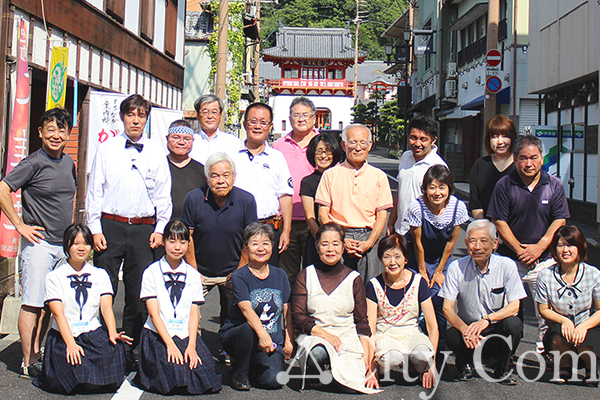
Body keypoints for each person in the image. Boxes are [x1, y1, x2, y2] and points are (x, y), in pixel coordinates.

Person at [86, 94, 172, 370]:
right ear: (122, 117)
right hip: (110, 226)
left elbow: (163, 196)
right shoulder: (107, 148)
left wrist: (161, 229)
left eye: (141, 115)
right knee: (104, 286)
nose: (136, 120)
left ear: (147, 119)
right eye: (131, 114)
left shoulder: (157, 151)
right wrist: (95, 228)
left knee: (137, 291)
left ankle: (128, 346)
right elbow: (94, 191)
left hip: (144, 229)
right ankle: (102, 343)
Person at [0, 107, 76, 378]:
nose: (56, 135)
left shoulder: (68, 163)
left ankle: (37, 351)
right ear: (41, 132)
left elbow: (71, 198)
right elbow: (3, 188)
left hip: (62, 245)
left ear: (68, 133)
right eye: (51, 129)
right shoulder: (33, 163)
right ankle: (27, 359)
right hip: (40, 244)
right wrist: (19, 225)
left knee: (51, 303)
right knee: (33, 302)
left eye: (62, 130)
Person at [487, 134, 570, 352]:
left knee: (546, 311)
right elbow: (499, 221)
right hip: (509, 259)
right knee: (508, 310)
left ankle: (548, 354)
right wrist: (520, 249)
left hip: (544, 260)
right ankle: (504, 354)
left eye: (533, 157)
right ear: (515, 159)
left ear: (542, 158)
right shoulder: (504, 185)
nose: (528, 163)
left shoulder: (554, 185)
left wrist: (541, 246)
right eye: (523, 158)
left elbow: (559, 219)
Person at [33, 224, 131, 394]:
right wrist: (70, 344)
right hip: (64, 334)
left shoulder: (100, 274)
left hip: (93, 332)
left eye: (86, 243)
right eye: (75, 243)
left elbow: (106, 307)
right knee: (68, 367)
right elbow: (58, 313)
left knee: (114, 351)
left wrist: (112, 332)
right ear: (67, 246)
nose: (81, 248)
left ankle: (88, 377)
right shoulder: (54, 276)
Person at [135, 220, 222, 395]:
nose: (177, 247)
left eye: (182, 242)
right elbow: (154, 314)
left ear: (189, 244)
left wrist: (192, 345)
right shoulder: (151, 272)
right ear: (164, 241)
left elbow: (193, 313)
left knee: (206, 375)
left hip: (184, 333)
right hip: (158, 334)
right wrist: (170, 345)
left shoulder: (192, 274)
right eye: (172, 241)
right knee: (173, 372)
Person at [291, 222, 379, 394]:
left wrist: (370, 366)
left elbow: (362, 322)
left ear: (343, 246)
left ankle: (334, 376)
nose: (330, 249)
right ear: (317, 247)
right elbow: (299, 316)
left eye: (335, 243)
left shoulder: (354, 278)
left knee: (355, 386)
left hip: (347, 336)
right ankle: (317, 373)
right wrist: (326, 335)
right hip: (316, 335)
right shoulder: (306, 275)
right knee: (318, 353)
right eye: (325, 244)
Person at [439, 219, 526, 385]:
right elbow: (447, 309)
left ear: (495, 243)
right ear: (466, 243)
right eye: (472, 241)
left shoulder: (507, 265)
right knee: (451, 335)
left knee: (514, 324)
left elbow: (514, 306)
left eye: (483, 241)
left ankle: (501, 368)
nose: (477, 246)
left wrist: (486, 321)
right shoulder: (456, 267)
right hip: (470, 330)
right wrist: (465, 329)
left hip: (495, 327)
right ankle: (465, 365)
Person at [181, 152, 258, 327]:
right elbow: (188, 237)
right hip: (200, 270)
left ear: (234, 177)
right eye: (215, 176)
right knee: (187, 314)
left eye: (226, 175)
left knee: (237, 316)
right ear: (207, 179)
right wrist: (193, 271)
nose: (221, 181)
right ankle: (193, 349)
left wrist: (240, 269)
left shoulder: (246, 200)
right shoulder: (193, 199)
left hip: (233, 269)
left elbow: (250, 239)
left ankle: (229, 350)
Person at [219, 223, 294, 391]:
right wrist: (263, 335)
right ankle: (239, 373)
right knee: (246, 329)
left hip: (270, 342)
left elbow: (287, 310)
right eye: (255, 244)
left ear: (272, 247)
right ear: (246, 248)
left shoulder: (280, 275)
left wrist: (288, 340)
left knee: (274, 381)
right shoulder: (240, 276)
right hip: (240, 335)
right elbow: (246, 309)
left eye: (265, 243)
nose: (261, 248)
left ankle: (252, 366)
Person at [315, 124, 393, 282]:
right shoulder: (330, 175)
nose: (358, 148)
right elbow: (323, 214)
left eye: (363, 143)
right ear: (344, 145)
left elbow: (382, 216)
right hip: (338, 237)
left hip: (368, 237)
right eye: (353, 142)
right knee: (337, 288)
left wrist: (369, 242)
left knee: (370, 290)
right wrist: (340, 240)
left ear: (370, 145)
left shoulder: (379, 176)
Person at [405, 165, 469, 342]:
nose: (437, 192)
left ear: (449, 187)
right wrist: (423, 271)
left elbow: (451, 243)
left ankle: (438, 346)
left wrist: (439, 271)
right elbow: (417, 243)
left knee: (440, 299)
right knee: (416, 298)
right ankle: (414, 341)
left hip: (442, 258)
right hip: (418, 257)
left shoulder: (458, 208)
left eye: (442, 187)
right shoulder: (416, 208)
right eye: (432, 187)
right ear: (425, 189)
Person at [366, 233, 438, 389]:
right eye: (387, 257)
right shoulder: (373, 285)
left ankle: (416, 366)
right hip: (385, 335)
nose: (393, 262)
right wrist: (371, 368)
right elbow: (370, 328)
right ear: (381, 259)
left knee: (423, 354)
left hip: (411, 333)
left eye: (397, 257)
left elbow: (433, 327)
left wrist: (431, 365)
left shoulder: (419, 282)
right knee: (392, 358)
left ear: (406, 259)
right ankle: (384, 368)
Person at [535, 225, 600, 385]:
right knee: (557, 335)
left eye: (570, 245)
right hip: (560, 326)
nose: (565, 250)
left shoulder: (593, 274)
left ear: (580, 248)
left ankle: (592, 368)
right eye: (560, 245)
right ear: (554, 249)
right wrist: (565, 321)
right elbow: (543, 309)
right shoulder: (545, 275)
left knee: (588, 342)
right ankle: (564, 367)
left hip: (587, 324)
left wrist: (583, 326)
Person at [233, 102, 293, 267]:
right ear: (245, 124)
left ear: (270, 126)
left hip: (268, 228)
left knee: (265, 280)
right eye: (253, 121)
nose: (257, 126)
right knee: (236, 280)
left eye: (263, 122)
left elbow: (285, 196)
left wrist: (286, 231)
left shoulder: (277, 158)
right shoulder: (231, 155)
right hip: (237, 229)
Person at [273, 97, 318, 283]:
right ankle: (288, 311)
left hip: (315, 220)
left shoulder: (322, 144)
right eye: (296, 115)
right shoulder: (278, 146)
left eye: (305, 115)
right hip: (286, 220)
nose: (301, 119)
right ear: (290, 119)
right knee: (287, 274)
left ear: (314, 118)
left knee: (314, 273)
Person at [387, 116, 447, 236]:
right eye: (413, 138)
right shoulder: (405, 157)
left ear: (433, 140)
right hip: (402, 229)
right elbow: (400, 192)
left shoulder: (438, 166)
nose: (417, 143)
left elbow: (444, 202)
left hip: (425, 232)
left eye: (423, 139)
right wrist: (391, 223)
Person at [300, 134, 343, 267]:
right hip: (317, 238)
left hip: (342, 238)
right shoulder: (308, 182)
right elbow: (310, 217)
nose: (323, 155)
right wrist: (322, 241)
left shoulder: (343, 177)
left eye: (328, 151)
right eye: (319, 151)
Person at [469, 115, 517, 220]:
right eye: (494, 136)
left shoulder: (520, 165)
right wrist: (484, 227)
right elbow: (475, 202)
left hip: (516, 230)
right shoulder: (480, 165)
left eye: (505, 136)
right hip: (488, 230)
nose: (500, 142)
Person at [165, 119, 207, 219]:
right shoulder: (158, 166)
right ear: (167, 138)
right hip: (161, 229)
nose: (181, 142)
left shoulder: (202, 170)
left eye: (187, 139)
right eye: (176, 138)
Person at [189, 94, 242, 164]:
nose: (210, 116)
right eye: (205, 112)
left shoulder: (233, 142)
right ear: (198, 116)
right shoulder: (190, 141)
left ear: (220, 116)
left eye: (214, 112)